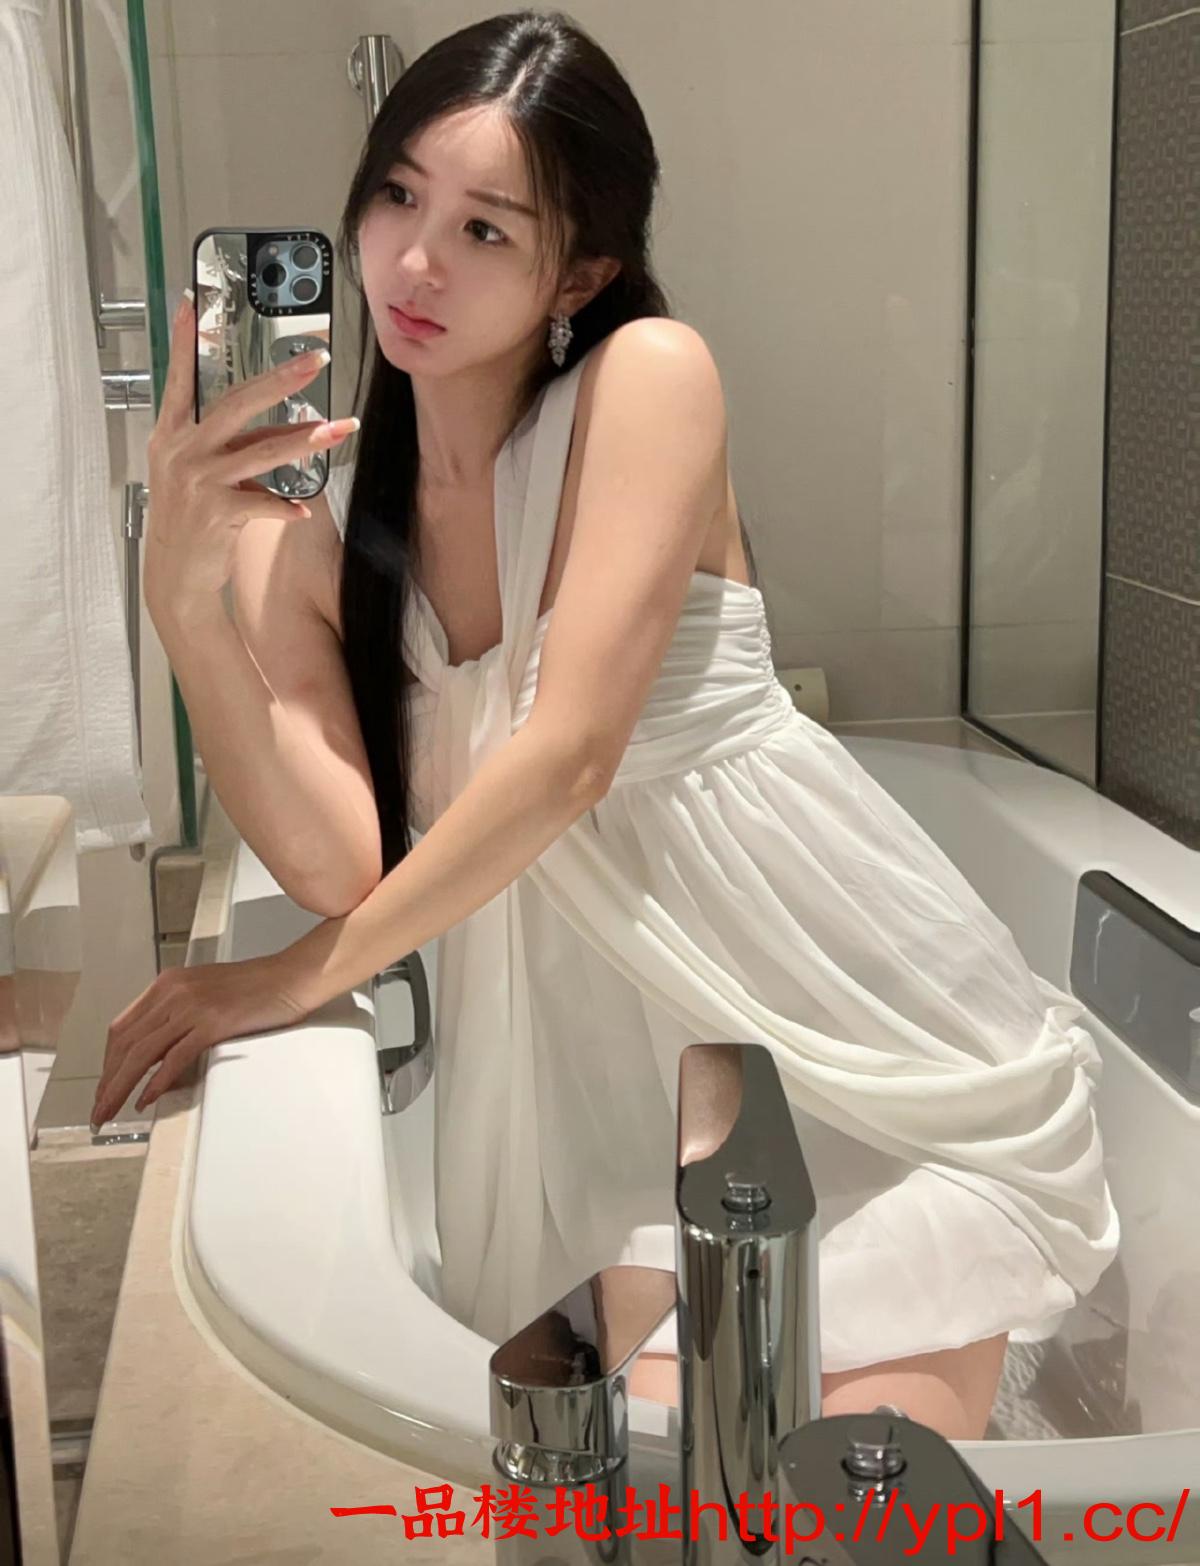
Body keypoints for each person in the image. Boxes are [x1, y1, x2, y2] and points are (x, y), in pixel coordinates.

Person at [91, 10, 1118, 1440]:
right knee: (647, 1466)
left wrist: (281, 983)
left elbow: (570, 760)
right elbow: (338, 861)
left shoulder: (648, 379)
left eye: (484, 230)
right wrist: (182, 601)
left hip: (810, 1025)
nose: (415, 262)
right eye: (397, 197)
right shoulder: (312, 534)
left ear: (580, 272)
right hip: (588, 1083)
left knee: (825, 1494)